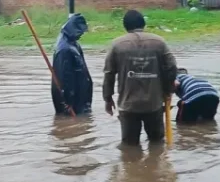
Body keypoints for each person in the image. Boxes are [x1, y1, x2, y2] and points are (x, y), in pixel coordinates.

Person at [103, 10, 177, 145]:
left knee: (130, 147)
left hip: (128, 105)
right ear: (143, 24)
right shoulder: (159, 42)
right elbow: (172, 67)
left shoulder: (117, 45)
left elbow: (109, 73)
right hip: (153, 104)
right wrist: (167, 90)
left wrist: (108, 99)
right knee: (157, 144)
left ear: (125, 26)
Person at [52, 13, 93, 116]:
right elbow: (65, 78)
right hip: (73, 101)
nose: (82, 34)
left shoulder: (72, 43)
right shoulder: (64, 49)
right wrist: (68, 102)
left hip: (80, 96)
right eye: (81, 31)